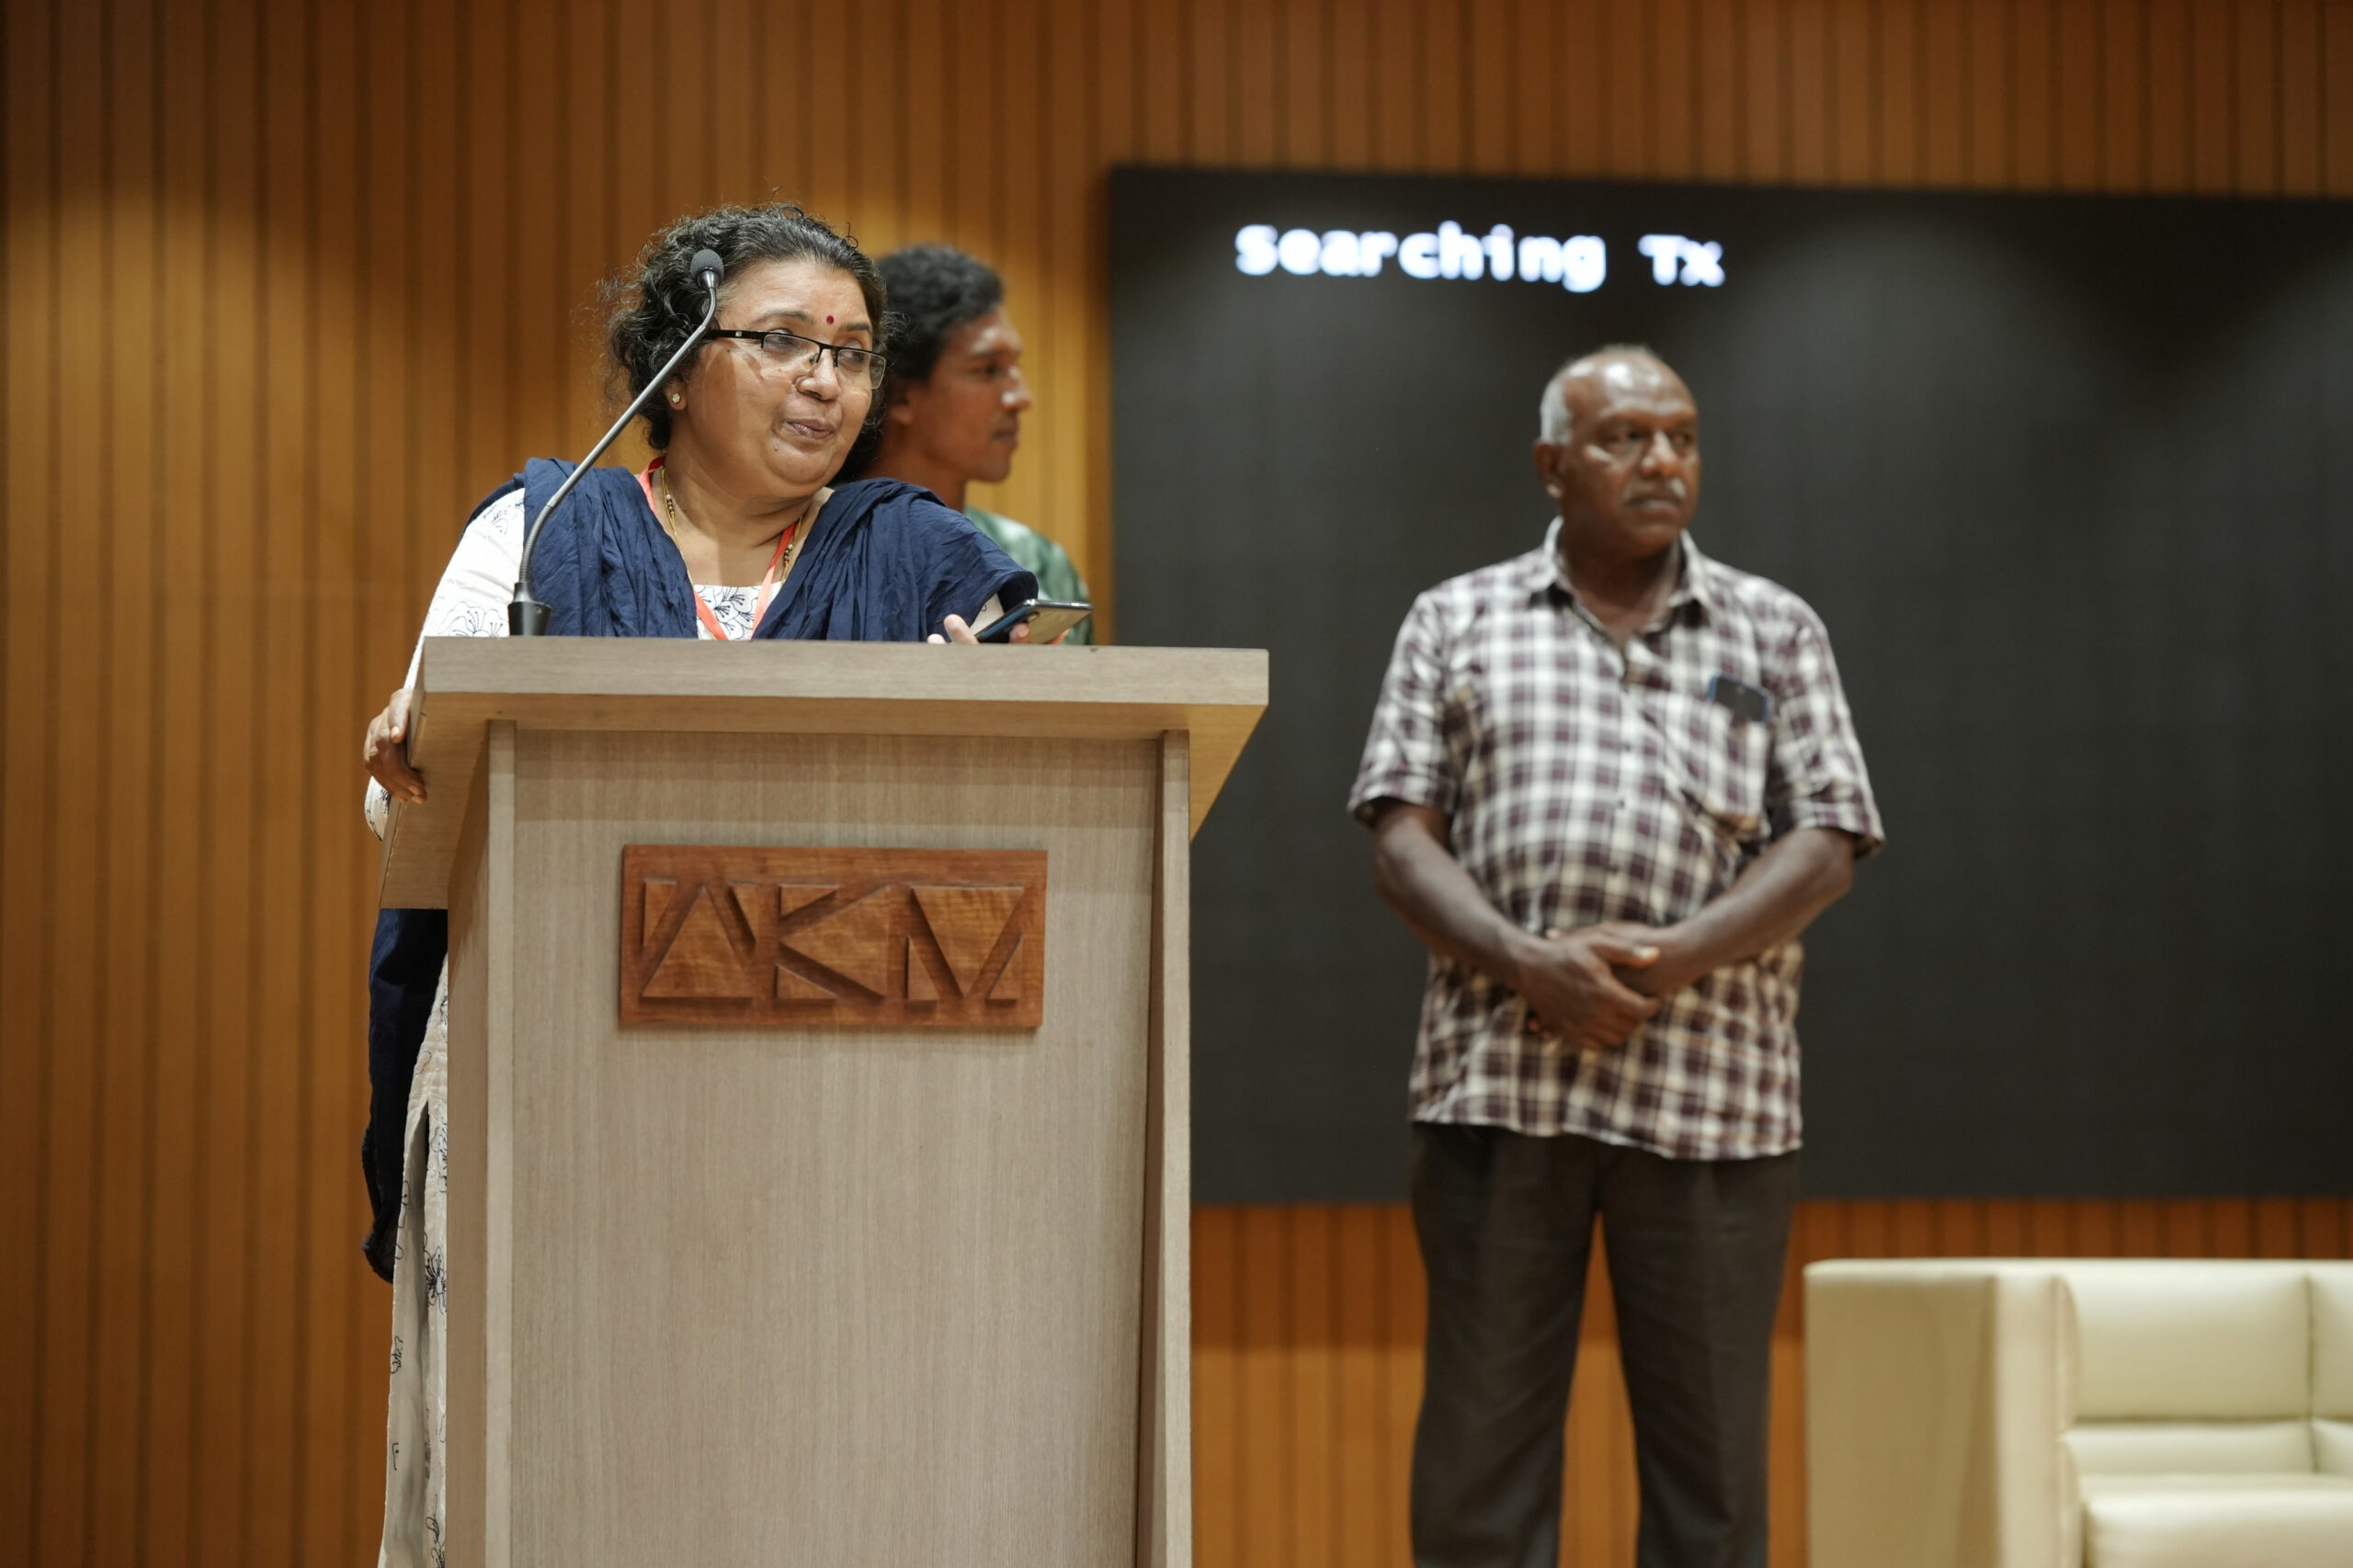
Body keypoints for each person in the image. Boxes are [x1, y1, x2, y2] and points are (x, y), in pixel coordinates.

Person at [356, 202, 1045, 1568]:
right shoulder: (543, 529)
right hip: (549, 1075)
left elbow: (1038, 818)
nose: (825, 380)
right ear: (677, 363)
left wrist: (992, 719)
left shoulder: (924, 556)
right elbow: (400, 802)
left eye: (852, 352)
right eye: (782, 341)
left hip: (850, 1101)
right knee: (552, 1463)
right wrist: (419, 734)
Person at [1347, 347, 1883, 1568]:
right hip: (1500, 1085)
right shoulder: (1455, 617)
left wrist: (1675, 956)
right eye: (1624, 438)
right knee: (1480, 1472)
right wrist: (1530, 963)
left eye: (1680, 437)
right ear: (1552, 464)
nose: (1660, 462)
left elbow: (1829, 839)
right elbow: (1399, 840)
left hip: (1716, 1095)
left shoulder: (1774, 627)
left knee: (1713, 1488)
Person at [835, 244, 1093, 641]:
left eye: (1013, 368)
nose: (1021, 398)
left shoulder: (1040, 561)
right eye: (988, 369)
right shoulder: (811, 544)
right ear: (899, 394)